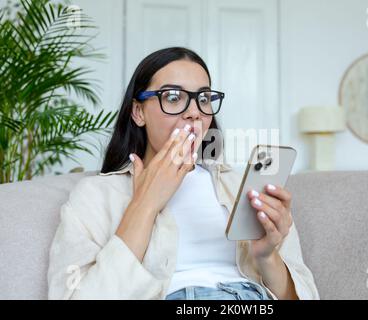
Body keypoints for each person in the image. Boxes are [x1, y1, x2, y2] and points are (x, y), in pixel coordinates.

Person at [47, 47, 319, 300]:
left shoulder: (242, 187)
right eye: (173, 97)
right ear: (139, 112)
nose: (194, 113)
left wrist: (266, 256)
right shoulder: (95, 196)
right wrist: (145, 204)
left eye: (203, 98)